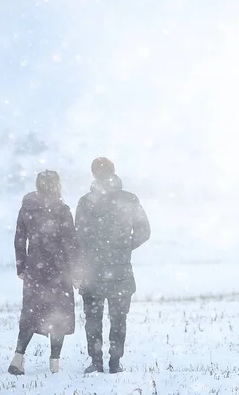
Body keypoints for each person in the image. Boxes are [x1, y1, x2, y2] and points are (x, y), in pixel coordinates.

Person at [74, 157, 151, 374]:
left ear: (94, 175)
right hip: (121, 271)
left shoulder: (86, 202)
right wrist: (124, 248)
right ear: (114, 172)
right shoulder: (130, 199)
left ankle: (96, 362)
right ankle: (115, 363)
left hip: (93, 270)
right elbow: (144, 230)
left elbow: (78, 237)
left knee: (93, 319)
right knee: (118, 319)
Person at [8, 170, 77, 375]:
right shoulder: (62, 209)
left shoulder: (27, 208)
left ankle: (18, 358)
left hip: (35, 270)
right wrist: (75, 271)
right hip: (59, 270)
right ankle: (54, 364)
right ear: (57, 185)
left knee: (30, 314)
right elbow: (71, 243)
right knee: (59, 315)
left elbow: (19, 239)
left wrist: (22, 267)